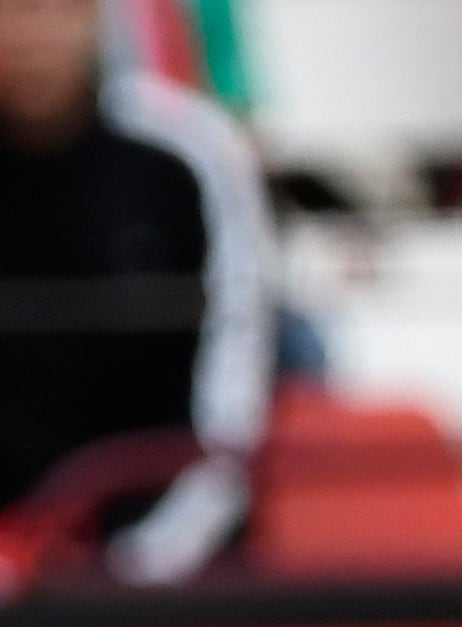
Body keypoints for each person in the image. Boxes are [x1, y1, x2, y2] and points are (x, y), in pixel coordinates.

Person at [0, 0, 269, 583]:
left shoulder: (190, 152)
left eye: (50, 10)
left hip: (161, 579)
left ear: (94, 16)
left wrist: (138, 565)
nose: (28, 34)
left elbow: (233, 389)